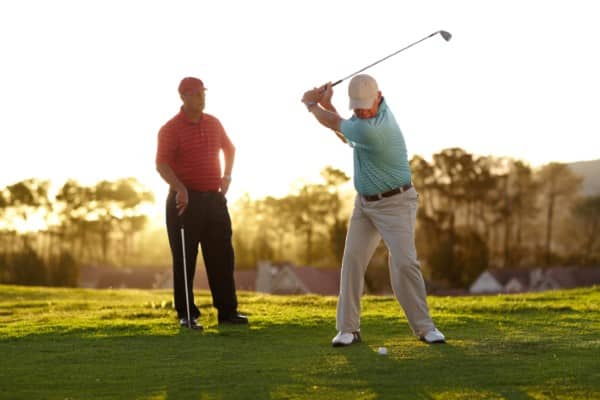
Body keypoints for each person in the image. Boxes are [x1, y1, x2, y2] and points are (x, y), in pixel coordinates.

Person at [301, 74, 445, 346]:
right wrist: (329, 104)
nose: (362, 112)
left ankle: (425, 328)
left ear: (379, 96)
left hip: (396, 204)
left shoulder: (377, 128)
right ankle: (348, 329)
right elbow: (344, 131)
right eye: (357, 108)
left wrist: (311, 104)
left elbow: (335, 124)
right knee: (352, 261)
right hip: (365, 204)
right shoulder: (363, 117)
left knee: (404, 263)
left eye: (366, 106)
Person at [156, 76, 248, 329]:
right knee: (185, 259)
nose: (201, 97)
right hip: (184, 202)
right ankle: (187, 315)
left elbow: (230, 149)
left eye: (203, 93)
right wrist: (179, 188)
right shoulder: (170, 129)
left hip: (214, 201)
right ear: (183, 96)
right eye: (196, 94)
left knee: (222, 257)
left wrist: (227, 175)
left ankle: (227, 312)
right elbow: (161, 164)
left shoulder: (213, 123)